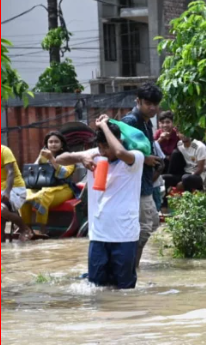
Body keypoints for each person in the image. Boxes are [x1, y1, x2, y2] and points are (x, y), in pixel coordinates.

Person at [57, 118, 144, 289]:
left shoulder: (135, 159)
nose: (104, 152)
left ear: (118, 141)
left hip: (124, 235)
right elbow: (60, 158)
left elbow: (119, 153)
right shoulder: (94, 156)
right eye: (101, 147)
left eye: (107, 147)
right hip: (99, 234)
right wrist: (82, 156)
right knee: (97, 287)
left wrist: (103, 125)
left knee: (125, 288)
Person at [121, 83, 163, 271]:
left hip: (145, 182)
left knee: (151, 223)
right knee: (144, 228)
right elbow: (118, 151)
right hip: (133, 184)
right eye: (148, 103)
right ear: (138, 101)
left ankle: (131, 266)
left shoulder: (147, 122)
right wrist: (143, 159)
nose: (152, 108)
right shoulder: (130, 121)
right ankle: (130, 269)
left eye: (155, 104)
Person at [19, 132, 76, 238]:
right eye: (50, 142)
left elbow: (64, 174)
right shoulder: (44, 155)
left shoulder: (69, 157)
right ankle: (27, 228)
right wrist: (40, 157)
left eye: (56, 142)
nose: (53, 144)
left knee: (44, 195)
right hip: (44, 186)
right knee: (24, 195)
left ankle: (42, 229)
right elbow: (34, 170)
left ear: (62, 144)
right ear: (46, 144)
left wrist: (52, 159)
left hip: (63, 188)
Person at [1, 144, 32, 241]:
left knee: (1, 210)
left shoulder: (4, 150)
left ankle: (24, 229)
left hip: (14, 188)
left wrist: (7, 192)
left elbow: (11, 172)